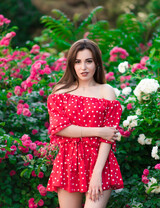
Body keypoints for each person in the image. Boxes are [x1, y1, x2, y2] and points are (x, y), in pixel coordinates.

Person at [46, 39, 124, 208]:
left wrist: (97, 174)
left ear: (97, 63)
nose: (83, 67)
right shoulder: (61, 92)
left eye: (89, 61)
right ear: (71, 65)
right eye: (78, 62)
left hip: (100, 162)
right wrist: (99, 131)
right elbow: (60, 129)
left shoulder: (106, 91)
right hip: (68, 160)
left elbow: (108, 137)